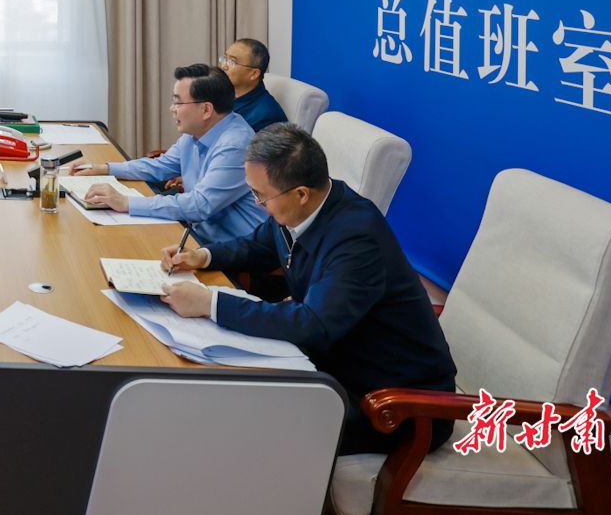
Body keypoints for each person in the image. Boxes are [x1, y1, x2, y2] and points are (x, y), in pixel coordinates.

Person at [159, 124, 457, 455]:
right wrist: (203, 255)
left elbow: (313, 324)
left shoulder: (357, 238)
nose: (257, 203)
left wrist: (211, 303)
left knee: (244, 425)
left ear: (301, 193)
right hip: (336, 366)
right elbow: (258, 245)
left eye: (261, 196)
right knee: (223, 393)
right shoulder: (305, 207)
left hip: (398, 404)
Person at [65, 65, 265, 243]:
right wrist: (105, 168)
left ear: (206, 110)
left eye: (178, 103)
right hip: (197, 234)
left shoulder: (235, 146)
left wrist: (126, 202)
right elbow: (159, 166)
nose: (172, 109)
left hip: (235, 249)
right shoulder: (196, 132)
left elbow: (199, 205)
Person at [219, 38, 288, 131]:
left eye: (232, 62)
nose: (224, 66)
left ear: (254, 74)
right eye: (225, 58)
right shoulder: (223, 92)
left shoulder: (267, 117)